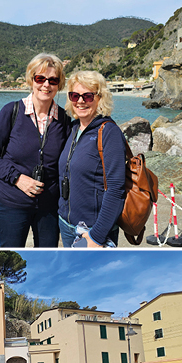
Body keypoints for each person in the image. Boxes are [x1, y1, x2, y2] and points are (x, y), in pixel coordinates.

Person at [0, 53, 71, 247]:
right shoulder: (11, 112)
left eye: (53, 80)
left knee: (47, 258)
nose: (46, 85)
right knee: (10, 255)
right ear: (31, 80)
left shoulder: (64, 120)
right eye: (40, 78)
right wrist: (17, 178)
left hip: (49, 207)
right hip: (12, 204)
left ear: (59, 84)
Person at [57, 71, 127, 247]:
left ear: (100, 98)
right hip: (66, 225)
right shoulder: (73, 129)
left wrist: (97, 236)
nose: (80, 101)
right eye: (75, 95)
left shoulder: (109, 132)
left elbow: (116, 189)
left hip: (93, 229)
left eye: (87, 96)